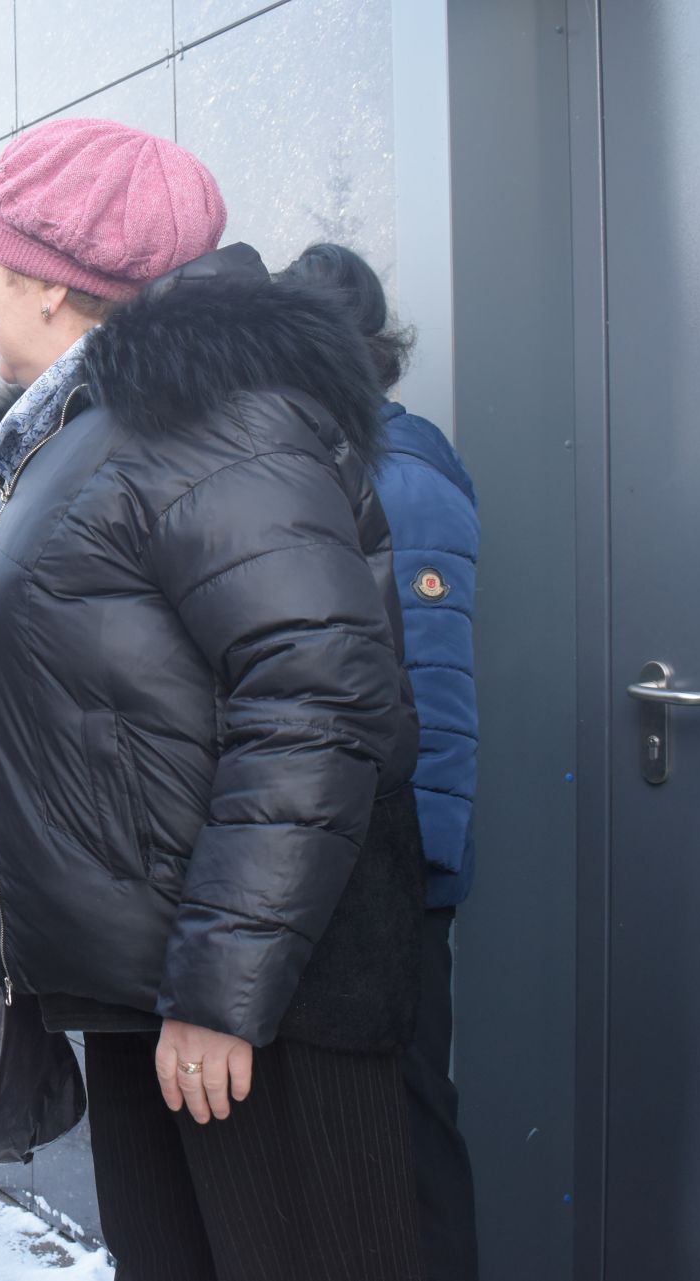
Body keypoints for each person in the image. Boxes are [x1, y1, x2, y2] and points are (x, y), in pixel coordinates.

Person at [0, 118, 425, 1280]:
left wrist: (222, 990)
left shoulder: (214, 421)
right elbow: (107, 705)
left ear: (57, 284)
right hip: (167, 987)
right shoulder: (104, 434)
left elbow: (317, 700)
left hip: (260, 1008)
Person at [284, 242, 481, 1281]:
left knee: (411, 1131)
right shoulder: (333, 467)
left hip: (399, 868)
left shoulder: (405, 484)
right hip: (351, 860)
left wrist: (426, 872)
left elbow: (437, 697)